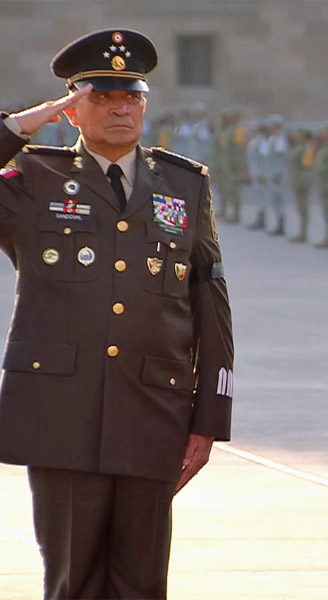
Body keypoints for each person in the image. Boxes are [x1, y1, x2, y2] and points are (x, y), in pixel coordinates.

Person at [0, 29, 234, 598]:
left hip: (153, 408)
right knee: (72, 580)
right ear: (74, 110)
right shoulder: (34, 177)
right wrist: (26, 123)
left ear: (145, 106)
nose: (119, 110)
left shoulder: (183, 183)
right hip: (61, 410)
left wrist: (210, 418)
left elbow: (211, 303)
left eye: (130, 98)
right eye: (101, 98)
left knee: (143, 582)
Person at [287, 125, 316, 243]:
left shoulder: (306, 149)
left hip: (302, 181)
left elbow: (307, 165)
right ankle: (301, 231)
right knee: (300, 207)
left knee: (303, 208)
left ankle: (304, 232)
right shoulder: (298, 147)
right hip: (297, 180)